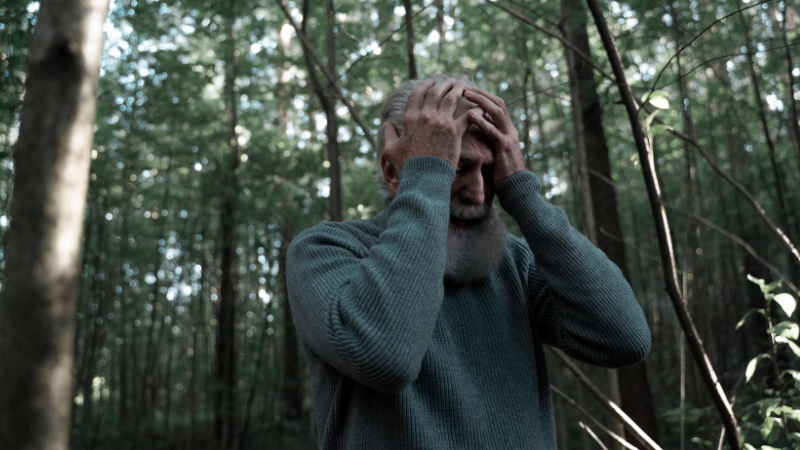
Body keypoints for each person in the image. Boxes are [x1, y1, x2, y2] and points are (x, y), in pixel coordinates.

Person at [286, 74, 651, 449]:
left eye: (489, 170)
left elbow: (624, 339)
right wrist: (428, 173)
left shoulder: (513, 263)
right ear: (394, 171)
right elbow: (386, 356)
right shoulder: (326, 250)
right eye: (457, 167)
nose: (478, 194)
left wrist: (522, 191)